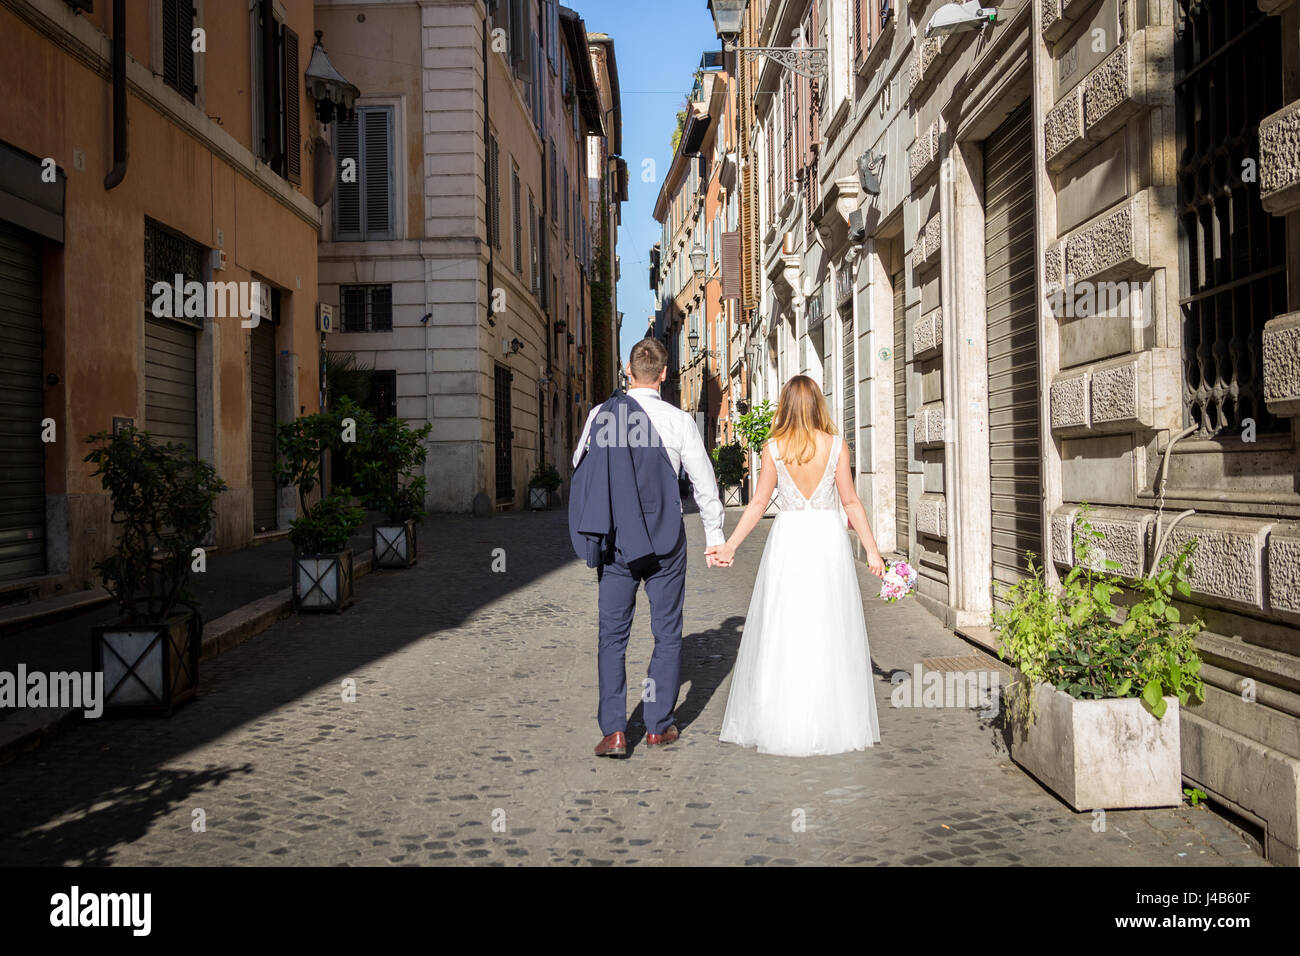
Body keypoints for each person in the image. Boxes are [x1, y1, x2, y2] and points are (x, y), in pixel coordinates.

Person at [709, 374, 886, 756]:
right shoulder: (837, 446)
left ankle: (783, 715)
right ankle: (828, 717)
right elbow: (851, 502)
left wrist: (730, 545)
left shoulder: (774, 448)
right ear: (818, 405)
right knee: (828, 624)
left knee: (784, 626)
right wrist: (873, 552)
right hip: (826, 540)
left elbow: (757, 503)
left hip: (788, 540)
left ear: (785, 407)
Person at [569, 337, 727, 758]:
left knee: (612, 637)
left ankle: (615, 732)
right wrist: (715, 538)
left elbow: (578, 466)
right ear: (663, 374)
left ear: (626, 369)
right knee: (667, 633)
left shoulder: (602, 416)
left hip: (619, 542)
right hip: (665, 541)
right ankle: (658, 725)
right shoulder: (679, 421)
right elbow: (705, 485)